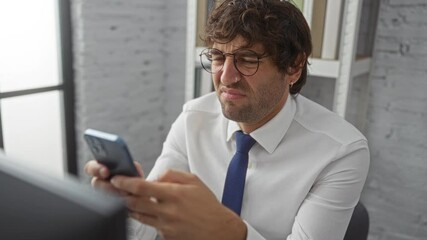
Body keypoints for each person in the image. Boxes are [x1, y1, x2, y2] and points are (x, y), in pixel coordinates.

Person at [85, 0, 370, 239]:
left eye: (247, 60)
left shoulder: (341, 151)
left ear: (293, 67)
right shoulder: (193, 119)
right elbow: (148, 231)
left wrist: (229, 231)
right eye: (218, 57)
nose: (226, 77)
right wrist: (128, 204)